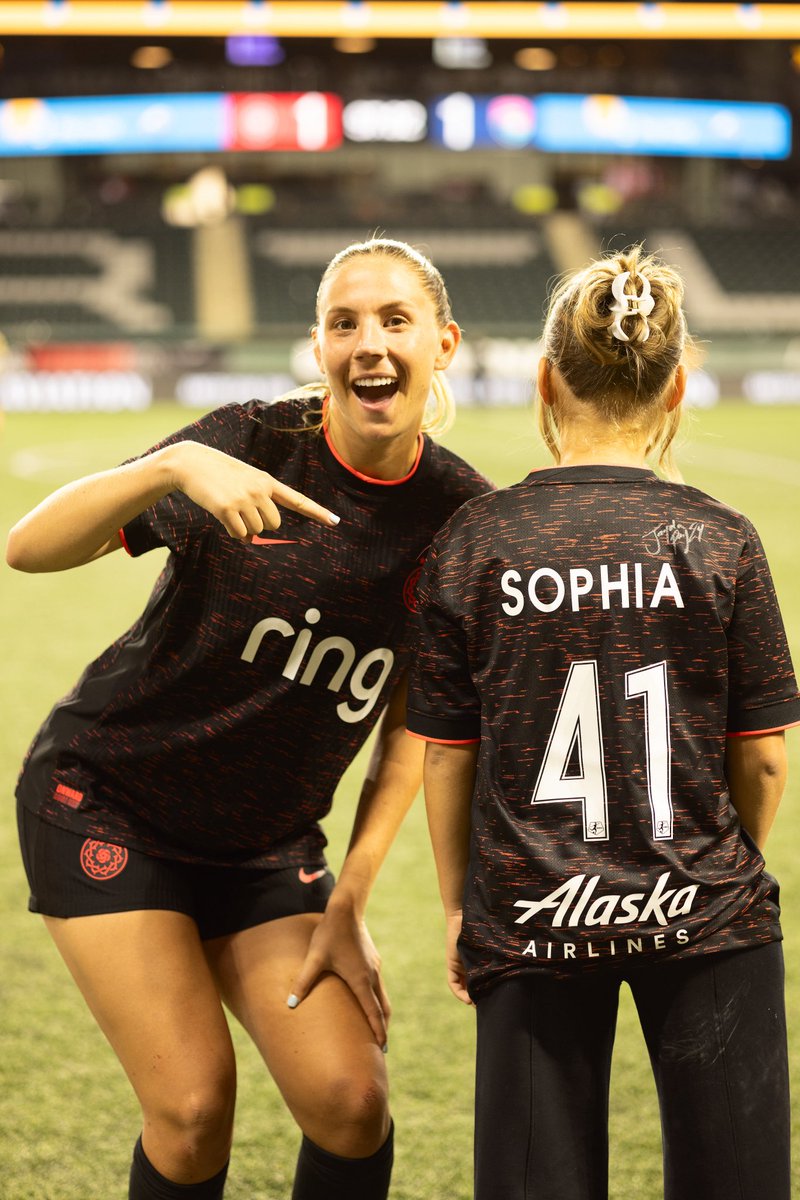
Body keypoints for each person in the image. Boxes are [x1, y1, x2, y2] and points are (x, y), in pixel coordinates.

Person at [6, 236, 491, 1200]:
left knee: (352, 1103)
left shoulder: (459, 518)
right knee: (191, 1111)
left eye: (396, 321)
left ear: (445, 342)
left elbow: (412, 726)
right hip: (107, 802)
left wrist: (347, 897)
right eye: (345, 323)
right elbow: (28, 548)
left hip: (265, 847)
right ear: (318, 346)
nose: (370, 345)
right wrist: (172, 466)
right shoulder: (251, 442)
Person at [406, 247, 800, 1200]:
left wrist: (468, 909)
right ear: (676, 390)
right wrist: (705, 868)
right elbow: (767, 759)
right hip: (705, 909)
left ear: (545, 380)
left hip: (532, 917)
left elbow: (447, 756)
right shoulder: (722, 538)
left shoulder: (476, 537)